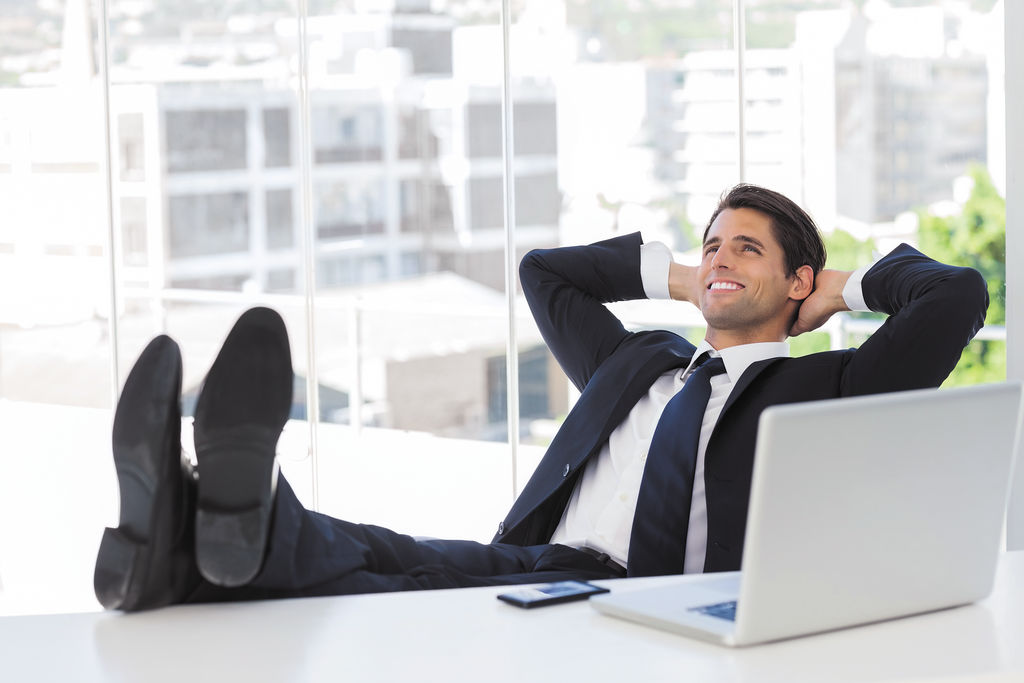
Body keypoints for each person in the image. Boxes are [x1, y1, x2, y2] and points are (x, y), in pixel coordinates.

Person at [93, 184, 988, 611]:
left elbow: (954, 298)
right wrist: (684, 279)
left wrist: (841, 287)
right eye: (711, 243)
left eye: (746, 250)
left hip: (642, 594)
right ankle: (186, 538)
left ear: (798, 282)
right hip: (542, 565)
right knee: (386, 556)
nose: (719, 256)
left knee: (404, 569)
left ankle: (210, 517)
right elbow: (546, 275)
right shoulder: (639, 363)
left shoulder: (830, 385)